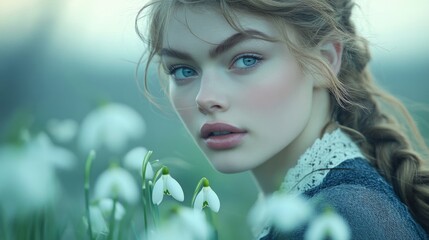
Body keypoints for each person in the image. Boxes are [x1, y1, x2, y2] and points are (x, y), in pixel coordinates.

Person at [136, 0, 429, 239]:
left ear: (325, 61)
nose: (204, 97)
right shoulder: (320, 207)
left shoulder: (344, 217)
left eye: (246, 59)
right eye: (183, 70)